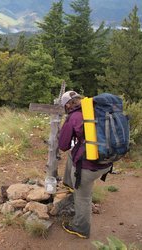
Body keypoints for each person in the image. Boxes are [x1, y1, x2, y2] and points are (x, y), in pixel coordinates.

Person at [58, 91, 111, 239]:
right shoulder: (96, 109)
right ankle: (69, 183)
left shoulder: (73, 117)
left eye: (65, 106)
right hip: (107, 161)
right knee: (73, 153)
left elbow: (63, 145)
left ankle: (80, 229)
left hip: (89, 167)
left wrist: (65, 128)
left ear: (68, 105)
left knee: (83, 198)